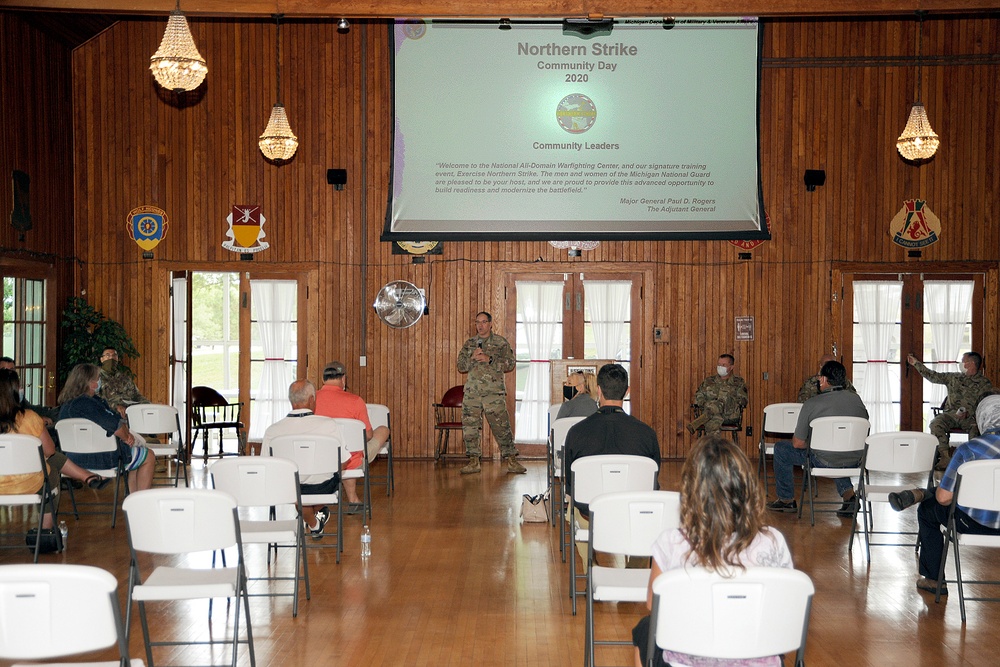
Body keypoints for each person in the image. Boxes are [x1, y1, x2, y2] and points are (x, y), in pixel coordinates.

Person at [632, 435, 793, 667]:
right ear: (747, 487)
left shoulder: (671, 542)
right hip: (756, 657)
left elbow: (652, 604)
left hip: (686, 660)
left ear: (691, 489)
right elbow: (784, 607)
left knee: (645, 630)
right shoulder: (773, 541)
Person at [887, 393, 1000, 595]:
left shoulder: (969, 449)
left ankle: (933, 579)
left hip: (973, 523)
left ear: (983, 418)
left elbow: (944, 498)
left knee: (929, 508)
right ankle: (921, 493)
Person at [0, 369, 113, 530]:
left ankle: (86, 476)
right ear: (12, 391)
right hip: (28, 483)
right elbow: (49, 450)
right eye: (19, 386)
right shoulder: (29, 417)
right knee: (51, 469)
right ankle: (46, 530)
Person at [767, 360, 869, 516]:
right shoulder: (856, 400)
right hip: (854, 458)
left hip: (824, 459)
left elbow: (798, 443)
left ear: (823, 379)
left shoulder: (811, 403)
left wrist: (817, 442)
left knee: (781, 448)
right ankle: (849, 497)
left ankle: (786, 500)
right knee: (837, 448)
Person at [564, 363, 660, 518]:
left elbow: (570, 484)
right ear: (627, 392)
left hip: (589, 513)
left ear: (599, 390)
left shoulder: (576, 432)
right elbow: (653, 481)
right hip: (633, 511)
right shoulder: (647, 434)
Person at [262, 379, 345, 536]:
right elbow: (344, 461)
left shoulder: (272, 431)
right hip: (322, 486)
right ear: (312, 399)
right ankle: (315, 518)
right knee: (336, 476)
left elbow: (267, 466)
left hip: (288, 489)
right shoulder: (329, 425)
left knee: (297, 490)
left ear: (291, 400)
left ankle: (312, 521)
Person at [57, 363, 155, 492]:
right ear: (91, 383)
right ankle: (138, 500)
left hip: (71, 460)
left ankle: (133, 498)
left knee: (136, 456)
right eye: (98, 378)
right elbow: (115, 426)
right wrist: (127, 437)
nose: (100, 381)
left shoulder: (66, 405)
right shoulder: (88, 403)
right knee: (148, 456)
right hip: (100, 459)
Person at [456, 311, 524, 475]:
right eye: (477, 322)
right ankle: (473, 461)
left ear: (491, 324)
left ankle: (511, 460)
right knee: (470, 427)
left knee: (501, 427)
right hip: (472, 393)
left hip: (493, 393)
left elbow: (510, 364)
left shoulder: (500, 343)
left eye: (484, 322)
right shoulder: (470, 343)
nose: (480, 325)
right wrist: (472, 357)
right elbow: (461, 366)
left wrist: (490, 359)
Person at [314, 361, 389, 507]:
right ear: (343, 379)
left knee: (343, 449)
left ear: (323, 380)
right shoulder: (355, 401)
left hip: (320, 456)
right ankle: (353, 499)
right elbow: (367, 435)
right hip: (350, 459)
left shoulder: (312, 399)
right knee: (382, 431)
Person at [907, 352, 992, 471]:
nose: (961, 364)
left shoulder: (984, 383)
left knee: (976, 430)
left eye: (963, 361)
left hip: (971, 419)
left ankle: (973, 461)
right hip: (950, 415)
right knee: (936, 424)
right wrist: (916, 363)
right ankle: (945, 458)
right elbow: (933, 376)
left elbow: (987, 403)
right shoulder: (953, 378)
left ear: (971, 363)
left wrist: (971, 414)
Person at [687, 354, 748, 436]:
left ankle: (700, 422)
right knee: (715, 418)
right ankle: (714, 447)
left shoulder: (738, 382)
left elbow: (743, 400)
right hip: (711, 413)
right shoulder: (709, 381)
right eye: (719, 364)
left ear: (731, 367)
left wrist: (729, 399)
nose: (720, 367)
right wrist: (706, 404)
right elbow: (699, 395)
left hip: (729, 414)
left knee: (722, 400)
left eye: (724, 365)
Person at [97, 347, 148, 417]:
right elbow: (95, 399)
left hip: (130, 413)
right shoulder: (96, 378)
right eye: (108, 355)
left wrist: (148, 405)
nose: (111, 358)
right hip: (109, 415)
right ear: (102, 359)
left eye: (114, 355)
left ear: (117, 359)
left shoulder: (125, 378)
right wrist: (115, 406)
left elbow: (137, 395)